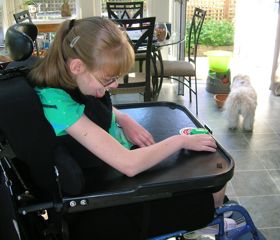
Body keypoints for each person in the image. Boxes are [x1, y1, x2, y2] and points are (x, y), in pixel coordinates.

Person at [29, 17, 227, 239]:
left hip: (113, 169)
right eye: (108, 79)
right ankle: (209, 224)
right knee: (210, 187)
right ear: (77, 66)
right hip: (107, 195)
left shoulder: (72, 80)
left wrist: (124, 119)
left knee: (207, 172)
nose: (114, 85)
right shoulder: (57, 102)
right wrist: (180, 141)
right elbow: (129, 165)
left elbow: (87, 111)